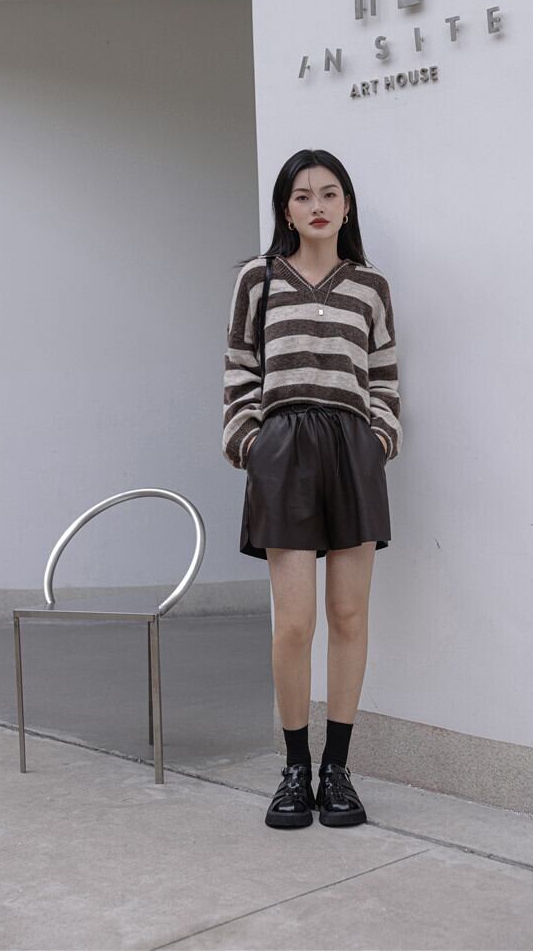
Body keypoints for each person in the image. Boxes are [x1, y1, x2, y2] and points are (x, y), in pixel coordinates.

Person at [222, 148, 402, 829]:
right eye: (302, 196)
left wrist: (378, 441)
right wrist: (251, 444)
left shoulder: (371, 286)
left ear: (347, 207)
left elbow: (383, 374)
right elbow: (239, 367)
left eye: (329, 194)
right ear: (286, 208)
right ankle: (295, 769)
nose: (317, 205)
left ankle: (338, 770)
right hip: (283, 451)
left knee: (349, 616)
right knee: (295, 622)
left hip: (352, 451)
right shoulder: (258, 278)